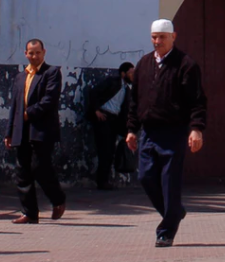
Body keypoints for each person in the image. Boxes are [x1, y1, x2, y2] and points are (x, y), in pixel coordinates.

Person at [125, 19, 207, 248]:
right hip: (149, 132)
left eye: (162, 37)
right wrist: (132, 130)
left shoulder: (186, 64)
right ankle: (174, 212)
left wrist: (196, 129)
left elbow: (197, 101)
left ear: (173, 37)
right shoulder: (142, 64)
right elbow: (135, 101)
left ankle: (166, 231)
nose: (157, 41)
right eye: (154, 37)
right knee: (145, 177)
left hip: (174, 131)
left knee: (169, 182)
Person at [5, 39, 67, 224]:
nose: (34, 56)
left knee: (40, 168)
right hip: (21, 130)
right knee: (22, 171)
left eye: (37, 53)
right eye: (31, 53)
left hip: (41, 130)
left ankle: (58, 199)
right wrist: (9, 131)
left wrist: (28, 114)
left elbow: (50, 100)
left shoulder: (51, 73)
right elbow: (14, 106)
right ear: (26, 54)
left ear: (44, 52)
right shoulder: (20, 77)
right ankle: (29, 213)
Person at [87, 62, 134, 190]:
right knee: (105, 151)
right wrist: (96, 110)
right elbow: (94, 93)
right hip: (104, 118)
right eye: (130, 72)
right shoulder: (113, 82)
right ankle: (102, 181)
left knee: (110, 151)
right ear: (123, 73)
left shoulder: (127, 89)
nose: (133, 75)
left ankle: (104, 180)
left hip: (114, 120)